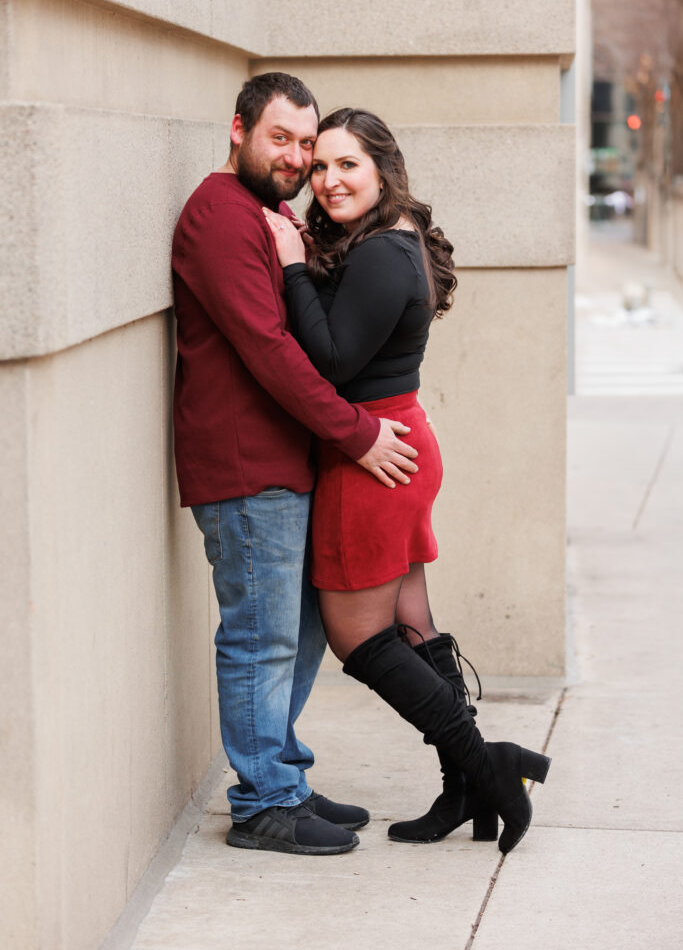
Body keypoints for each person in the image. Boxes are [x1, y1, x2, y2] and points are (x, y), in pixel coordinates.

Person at [263, 108, 551, 855]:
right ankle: (466, 786)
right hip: (390, 446)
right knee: (413, 625)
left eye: (345, 165)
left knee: (358, 638)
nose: (327, 180)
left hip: (373, 458)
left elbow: (329, 361)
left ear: (383, 168)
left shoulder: (384, 253)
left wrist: (291, 264)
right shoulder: (384, 241)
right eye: (318, 166)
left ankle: (490, 769)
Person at [172, 75, 421, 857]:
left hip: (287, 462)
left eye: (306, 144)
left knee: (300, 633)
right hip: (246, 466)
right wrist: (356, 433)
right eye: (280, 138)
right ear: (239, 129)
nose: (296, 158)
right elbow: (270, 351)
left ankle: (281, 774)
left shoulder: (271, 215)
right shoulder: (220, 217)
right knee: (259, 638)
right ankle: (263, 806)